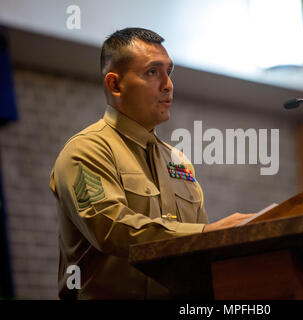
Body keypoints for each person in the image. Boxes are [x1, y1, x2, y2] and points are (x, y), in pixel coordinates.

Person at [49, 27, 252, 299]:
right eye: (152, 72)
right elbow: (111, 228)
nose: (168, 84)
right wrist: (205, 233)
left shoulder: (178, 161)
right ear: (115, 85)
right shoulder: (85, 151)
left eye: (169, 72)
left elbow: (200, 256)